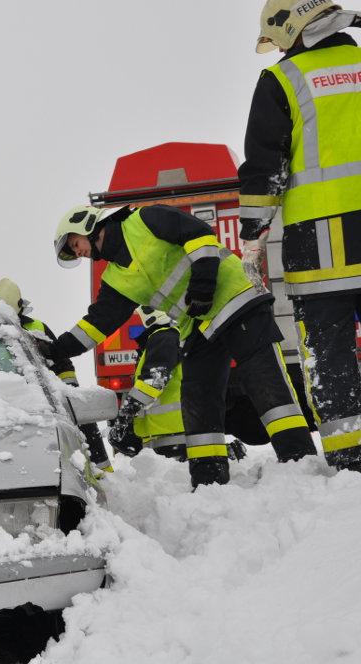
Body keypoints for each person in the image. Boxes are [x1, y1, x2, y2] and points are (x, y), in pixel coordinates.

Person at [50, 203, 316, 488]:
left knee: (264, 382)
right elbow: (97, 323)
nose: (78, 252)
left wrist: (204, 283)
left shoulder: (144, 219)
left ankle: (299, 462)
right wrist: (54, 351)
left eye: (75, 244)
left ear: (87, 225)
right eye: (73, 252)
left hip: (236, 300)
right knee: (198, 398)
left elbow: (199, 235)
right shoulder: (115, 278)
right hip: (197, 326)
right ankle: (208, 481)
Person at [239, 0, 361, 472]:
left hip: (321, 248)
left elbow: (265, 169)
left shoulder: (283, 81)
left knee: (330, 357)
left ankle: (352, 461)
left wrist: (253, 237)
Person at [0, 278, 112, 474]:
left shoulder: (36, 327)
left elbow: (61, 360)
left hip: (41, 399)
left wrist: (70, 391)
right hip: (0, 403)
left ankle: (104, 474)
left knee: (84, 423)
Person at [109, 306, 252, 461]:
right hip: (181, 434)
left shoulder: (165, 337)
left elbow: (154, 380)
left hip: (173, 437)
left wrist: (124, 416)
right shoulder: (180, 337)